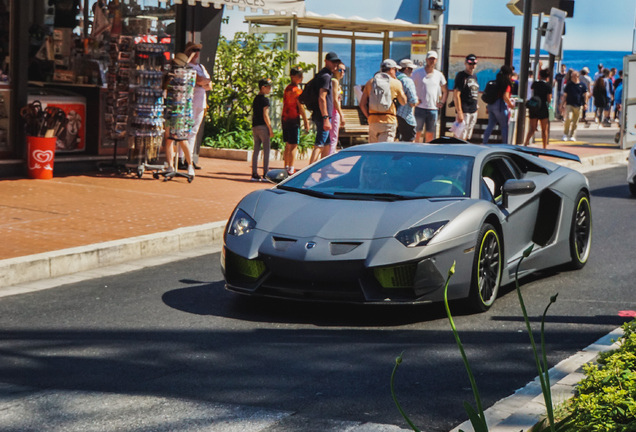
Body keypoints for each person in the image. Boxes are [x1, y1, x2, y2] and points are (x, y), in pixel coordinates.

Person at [359, 59, 407, 143]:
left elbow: (362, 104)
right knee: (384, 151)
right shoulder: (396, 83)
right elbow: (403, 102)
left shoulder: (370, 82)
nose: (396, 72)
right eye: (395, 70)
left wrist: (369, 116)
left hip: (373, 121)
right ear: (391, 69)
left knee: (373, 151)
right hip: (389, 121)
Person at [181, 41, 211, 171]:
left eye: (197, 51)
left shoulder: (201, 67)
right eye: (194, 51)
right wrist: (201, 82)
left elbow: (209, 84)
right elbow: (199, 80)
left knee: (194, 131)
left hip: (201, 101)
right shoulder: (187, 66)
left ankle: (190, 159)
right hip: (190, 101)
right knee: (186, 131)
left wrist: (202, 82)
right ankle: (181, 158)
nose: (196, 54)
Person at [308, 51, 341, 164]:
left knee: (327, 144)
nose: (335, 65)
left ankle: (322, 172)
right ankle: (308, 173)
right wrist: (326, 118)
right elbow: (322, 98)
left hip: (321, 115)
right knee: (320, 144)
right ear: (326, 62)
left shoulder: (321, 75)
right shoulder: (326, 77)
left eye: (336, 63)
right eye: (333, 62)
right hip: (323, 116)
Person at [411, 51, 448, 143]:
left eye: (433, 59)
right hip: (420, 107)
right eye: (430, 59)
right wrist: (414, 99)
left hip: (433, 109)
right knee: (417, 132)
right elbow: (410, 86)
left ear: (436, 60)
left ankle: (428, 150)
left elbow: (445, 90)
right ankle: (416, 150)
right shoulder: (417, 73)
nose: (432, 61)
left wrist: (442, 102)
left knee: (430, 133)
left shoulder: (439, 74)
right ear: (426, 60)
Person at [282, 67, 309, 175]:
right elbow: (301, 107)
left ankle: (286, 166)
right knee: (293, 145)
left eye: (301, 75)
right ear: (293, 76)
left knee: (288, 144)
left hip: (285, 118)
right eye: (299, 76)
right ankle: (291, 167)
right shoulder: (297, 91)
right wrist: (306, 121)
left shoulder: (287, 89)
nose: (301, 78)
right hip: (293, 119)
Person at [483, 65, 515, 144]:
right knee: (504, 126)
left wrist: (487, 106)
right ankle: (505, 144)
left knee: (490, 125)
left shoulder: (495, 82)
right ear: (509, 75)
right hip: (500, 105)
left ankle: (484, 142)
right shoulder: (506, 84)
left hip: (491, 105)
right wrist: (511, 105)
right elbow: (505, 97)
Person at [453, 54, 480, 141]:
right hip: (464, 110)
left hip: (473, 110)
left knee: (468, 135)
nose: (472, 66)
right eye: (470, 63)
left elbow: (474, 92)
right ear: (465, 63)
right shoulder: (461, 75)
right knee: (460, 136)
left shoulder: (474, 76)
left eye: (474, 63)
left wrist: (477, 106)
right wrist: (459, 112)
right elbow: (456, 94)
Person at [251, 78, 273, 181]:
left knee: (256, 150)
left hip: (255, 126)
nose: (270, 89)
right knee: (266, 150)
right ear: (263, 87)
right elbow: (266, 115)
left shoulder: (255, 99)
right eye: (268, 87)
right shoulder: (265, 100)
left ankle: (254, 173)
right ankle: (266, 174)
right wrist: (270, 128)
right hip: (263, 127)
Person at [524, 68, 552, 148]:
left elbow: (532, 90)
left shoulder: (535, 84)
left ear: (540, 75)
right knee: (544, 130)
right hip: (543, 107)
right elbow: (549, 99)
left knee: (532, 129)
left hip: (534, 107)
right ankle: (544, 147)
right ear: (547, 77)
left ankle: (525, 144)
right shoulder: (548, 86)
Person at [560, 69, 588, 141]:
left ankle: (572, 135)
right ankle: (565, 134)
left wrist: (585, 103)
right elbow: (565, 95)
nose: (573, 77)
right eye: (572, 76)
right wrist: (562, 104)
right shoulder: (569, 85)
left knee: (575, 121)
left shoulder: (582, 85)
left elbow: (585, 95)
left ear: (577, 76)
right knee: (568, 118)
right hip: (569, 104)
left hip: (579, 105)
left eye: (574, 76)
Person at [395, 58, 418, 142]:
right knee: (409, 142)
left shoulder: (394, 79)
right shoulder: (407, 81)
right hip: (405, 116)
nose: (412, 71)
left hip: (393, 115)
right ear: (407, 69)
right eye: (411, 69)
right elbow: (413, 101)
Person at [329, 62, 346, 154]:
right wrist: (341, 114)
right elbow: (335, 100)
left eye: (344, 70)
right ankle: (330, 157)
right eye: (340, 70)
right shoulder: (334, 81)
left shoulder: (336, 82)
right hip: (334, 111)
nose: (342, 72)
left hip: (333, 111)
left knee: (332, 137)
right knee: (334, 137)